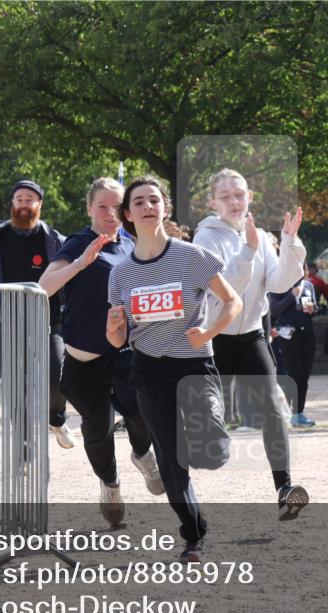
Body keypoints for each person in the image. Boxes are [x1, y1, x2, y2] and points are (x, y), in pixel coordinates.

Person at [106, 175, 242, 561]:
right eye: (139, 203)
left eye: (154, 200)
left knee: (211, 452)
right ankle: (193, 535)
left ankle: (211, 442)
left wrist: (210, 330)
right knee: (168, 457)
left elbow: (231, 302)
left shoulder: (191, 255)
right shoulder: (120, 273)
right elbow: (118, 338)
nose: (148, 207)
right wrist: (114, 331)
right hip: (148, 368)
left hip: (194, 365)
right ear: (127, 214)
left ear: (165, 207)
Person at [38, 177, 165, 527]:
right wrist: (80, 262)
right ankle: (110, 485)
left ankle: (142, 454)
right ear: (90, 209)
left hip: (124, 351)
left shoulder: (131, 245)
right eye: (102, 207)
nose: (110, 214)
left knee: (141, 412)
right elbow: (43, 288)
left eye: (116, 207)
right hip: (84, 360)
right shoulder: (76, 243)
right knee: (99, 429)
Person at [192, 168, 310, 519]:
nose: (233, 200)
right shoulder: (205, 238)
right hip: (214, 338)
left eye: (239, 194)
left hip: (251, 338)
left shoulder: (258, 235)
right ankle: (182, 492)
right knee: (207, 424)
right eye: (225, 195)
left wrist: (289, 245)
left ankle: (285, 487)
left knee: (273, 409)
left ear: (250, 198)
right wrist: (247, 251)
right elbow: (223, 288)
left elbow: (278, 283)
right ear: (212, 201)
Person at [0, 179, 77, 450]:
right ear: (13, 204)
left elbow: (73, 271)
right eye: (19, 199)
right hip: (8, 322)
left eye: (30, 199)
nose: (24, 204)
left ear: (39, 204)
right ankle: (23, 444)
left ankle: (56, 417)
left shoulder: (54, 239)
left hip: (48, 322)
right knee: (16, 386)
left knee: (57, 373)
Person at [269, 277, 317, 427]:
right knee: (293, 374)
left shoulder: (308, 284)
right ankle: (287, 412)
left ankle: (298, 413)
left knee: (304, 375)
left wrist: (312, 308)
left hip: (307, 333)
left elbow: (315, 306)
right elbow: (274, 309)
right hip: (288, 333)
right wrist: (292, 295)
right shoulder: (279, 283)